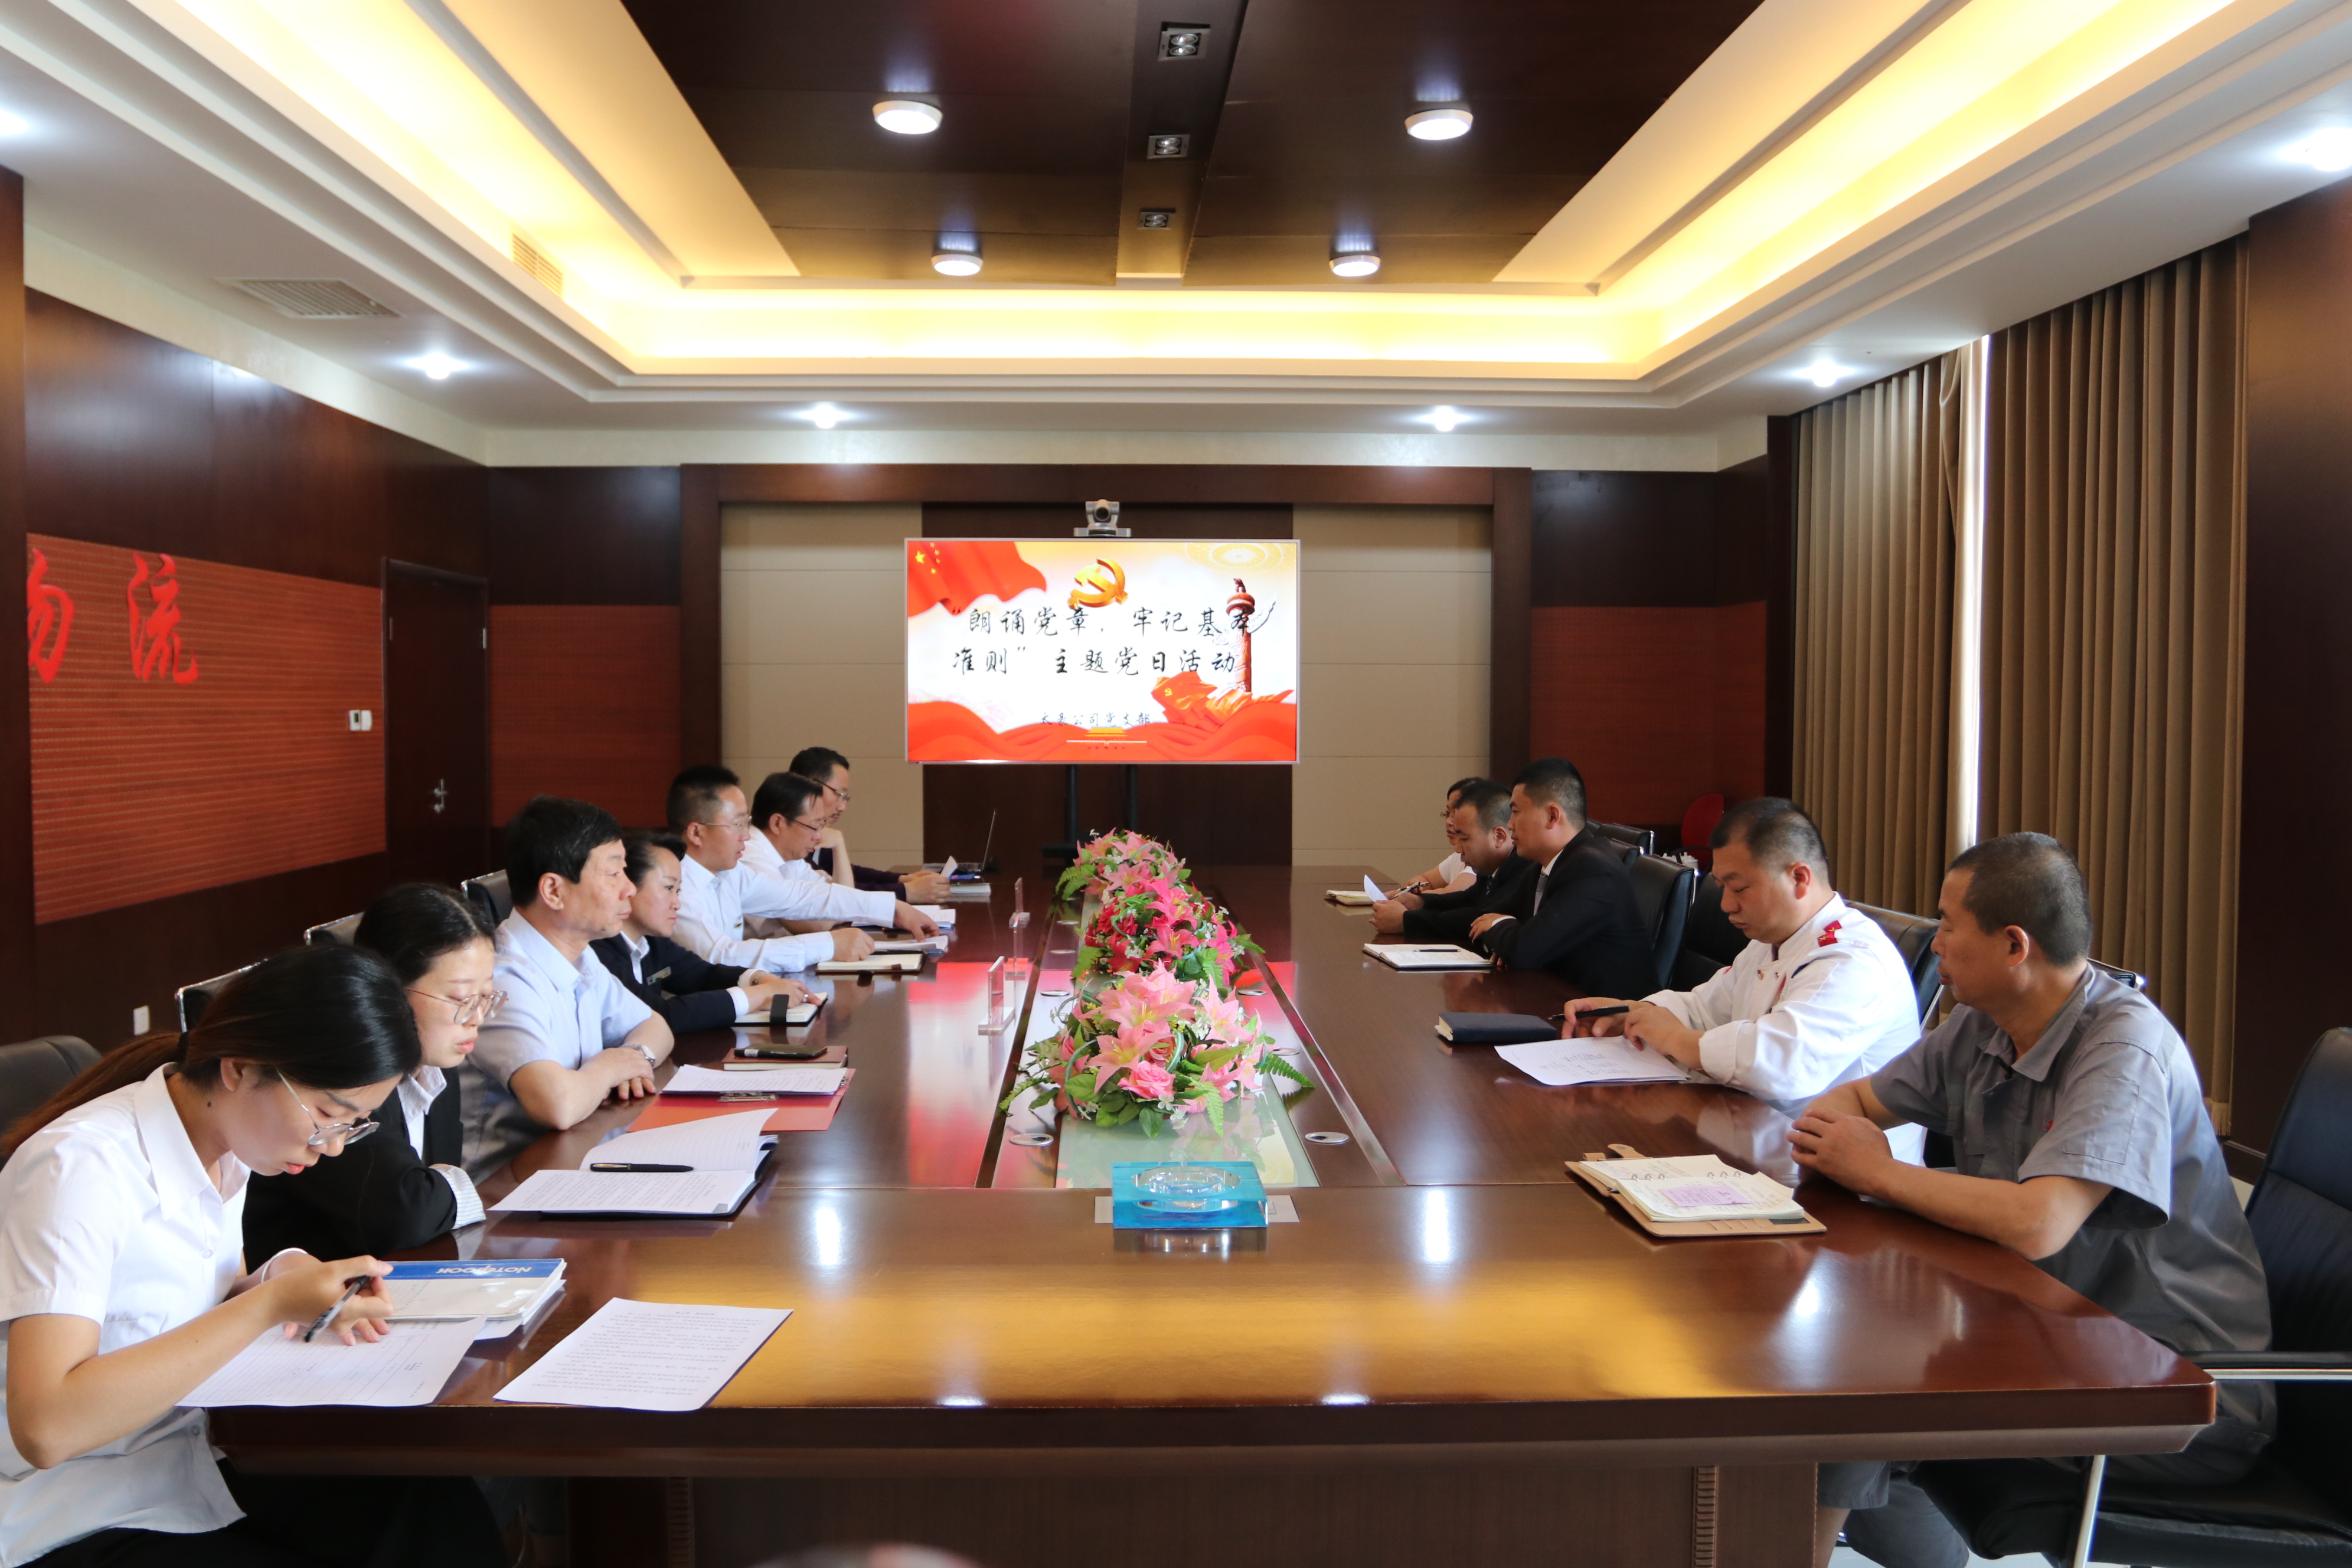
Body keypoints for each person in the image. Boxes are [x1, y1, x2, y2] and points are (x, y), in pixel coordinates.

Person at [1791, 834, 2273, 1568]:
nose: (1935, 942)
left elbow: (2039, 1222)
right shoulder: (1985, 1022)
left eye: (1948, 923)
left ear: (2014, 945)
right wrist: (1839, 1137)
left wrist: (1879, 1172)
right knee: (1848, 1369)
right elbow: (1853, 1101)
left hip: (2176, 1384)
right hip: (2050, 1334)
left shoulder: (2123, 1048)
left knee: (1861, 1385)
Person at [0, 945, 505, 1567]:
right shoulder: (80, 1169)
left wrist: (280, 1276)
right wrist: (268, 1305)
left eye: (355, 1125)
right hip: (73, 1505)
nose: (334, 1147)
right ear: (239, 1069)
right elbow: (47, 1427)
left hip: (191, 1456)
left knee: (434, 1511)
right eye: (330, 1114)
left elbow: (205, 1300)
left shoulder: (226, 1147)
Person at [1562, 797, 1927, 1162]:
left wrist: (1674, 1038)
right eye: (1721, 886)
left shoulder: (1852, 959)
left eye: (1739, 889)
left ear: (1799, 878)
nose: (1726, 905)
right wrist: (1636, 1014)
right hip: (1761, 1142)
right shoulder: (1771, 942)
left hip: (1847, 1175)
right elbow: (1706, 1009)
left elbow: (1779, 1065)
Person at [244, 884, 501, 1263]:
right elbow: (405, 1215)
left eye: (486, 997)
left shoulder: (439, 1067)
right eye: (461, 1000)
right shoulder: (344, 1075)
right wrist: (450, 1188)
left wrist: (437, 1190)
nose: (476, 1018)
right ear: (388, 988)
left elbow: (424, 1206)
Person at [460, 796, 676, 1178]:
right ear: (554, 891)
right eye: (613, 874)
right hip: (505, 1191)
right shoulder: (502, 978)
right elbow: (557, 1106)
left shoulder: (580, 955)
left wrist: (634, 1057)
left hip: (576, 1162)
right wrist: (610, 1067)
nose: (629, 889)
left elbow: (655, 1027)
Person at [669, 770, 935, 974]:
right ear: (696, 833)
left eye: (746, 824)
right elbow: (720, 957)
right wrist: (827, 945)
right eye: (737, 825)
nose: (746, 836)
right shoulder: (675, 884)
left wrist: (891, 908)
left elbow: (800, 896)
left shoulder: (730, 873)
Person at [1465, 757, 1655, 997]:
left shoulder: (1594, 870)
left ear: (1553, 816)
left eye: (1516, 812)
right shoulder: (1543, 865)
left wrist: (1501, 929)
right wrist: (1508, 937)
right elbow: (1485, 918)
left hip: (1610, 1015)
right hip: (1558, 998)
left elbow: (1523, 950)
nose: (1510, 824)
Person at [594, 831, 812, 1033]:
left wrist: (760, 979)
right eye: (669, 888)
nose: (677, 904)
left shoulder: (652, 942)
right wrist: (759, 995)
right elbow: (659, 1015)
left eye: (678, 891)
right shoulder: (598, 949)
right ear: (628, 886)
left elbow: (703, 976)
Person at [782, 747, 952, 903]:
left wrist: (901, 880)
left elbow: (844, 875)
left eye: (845, 797)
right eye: (838, 794)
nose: (842, 807)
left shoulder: (817, 833)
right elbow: (835, 895)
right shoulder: (790, 836)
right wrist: (907, 892)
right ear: (810, 787)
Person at [1370, 780, 1528, 940]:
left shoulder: (1524, 868)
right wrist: (1419, 902)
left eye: (1465, 839)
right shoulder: (1492, 866)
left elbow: (1479, 917)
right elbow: (1467, 899)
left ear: (1499, 837)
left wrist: (1406, 921)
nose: (1458, 849)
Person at [1396, 776, 1485, 898]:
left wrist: (1414, 899)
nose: (1449, 822)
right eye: (1448, 814)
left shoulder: (1481, 859)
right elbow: (1427, 880)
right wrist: (1414, 886)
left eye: (1456, 814)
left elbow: (1449, 896)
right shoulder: (1457, 856)